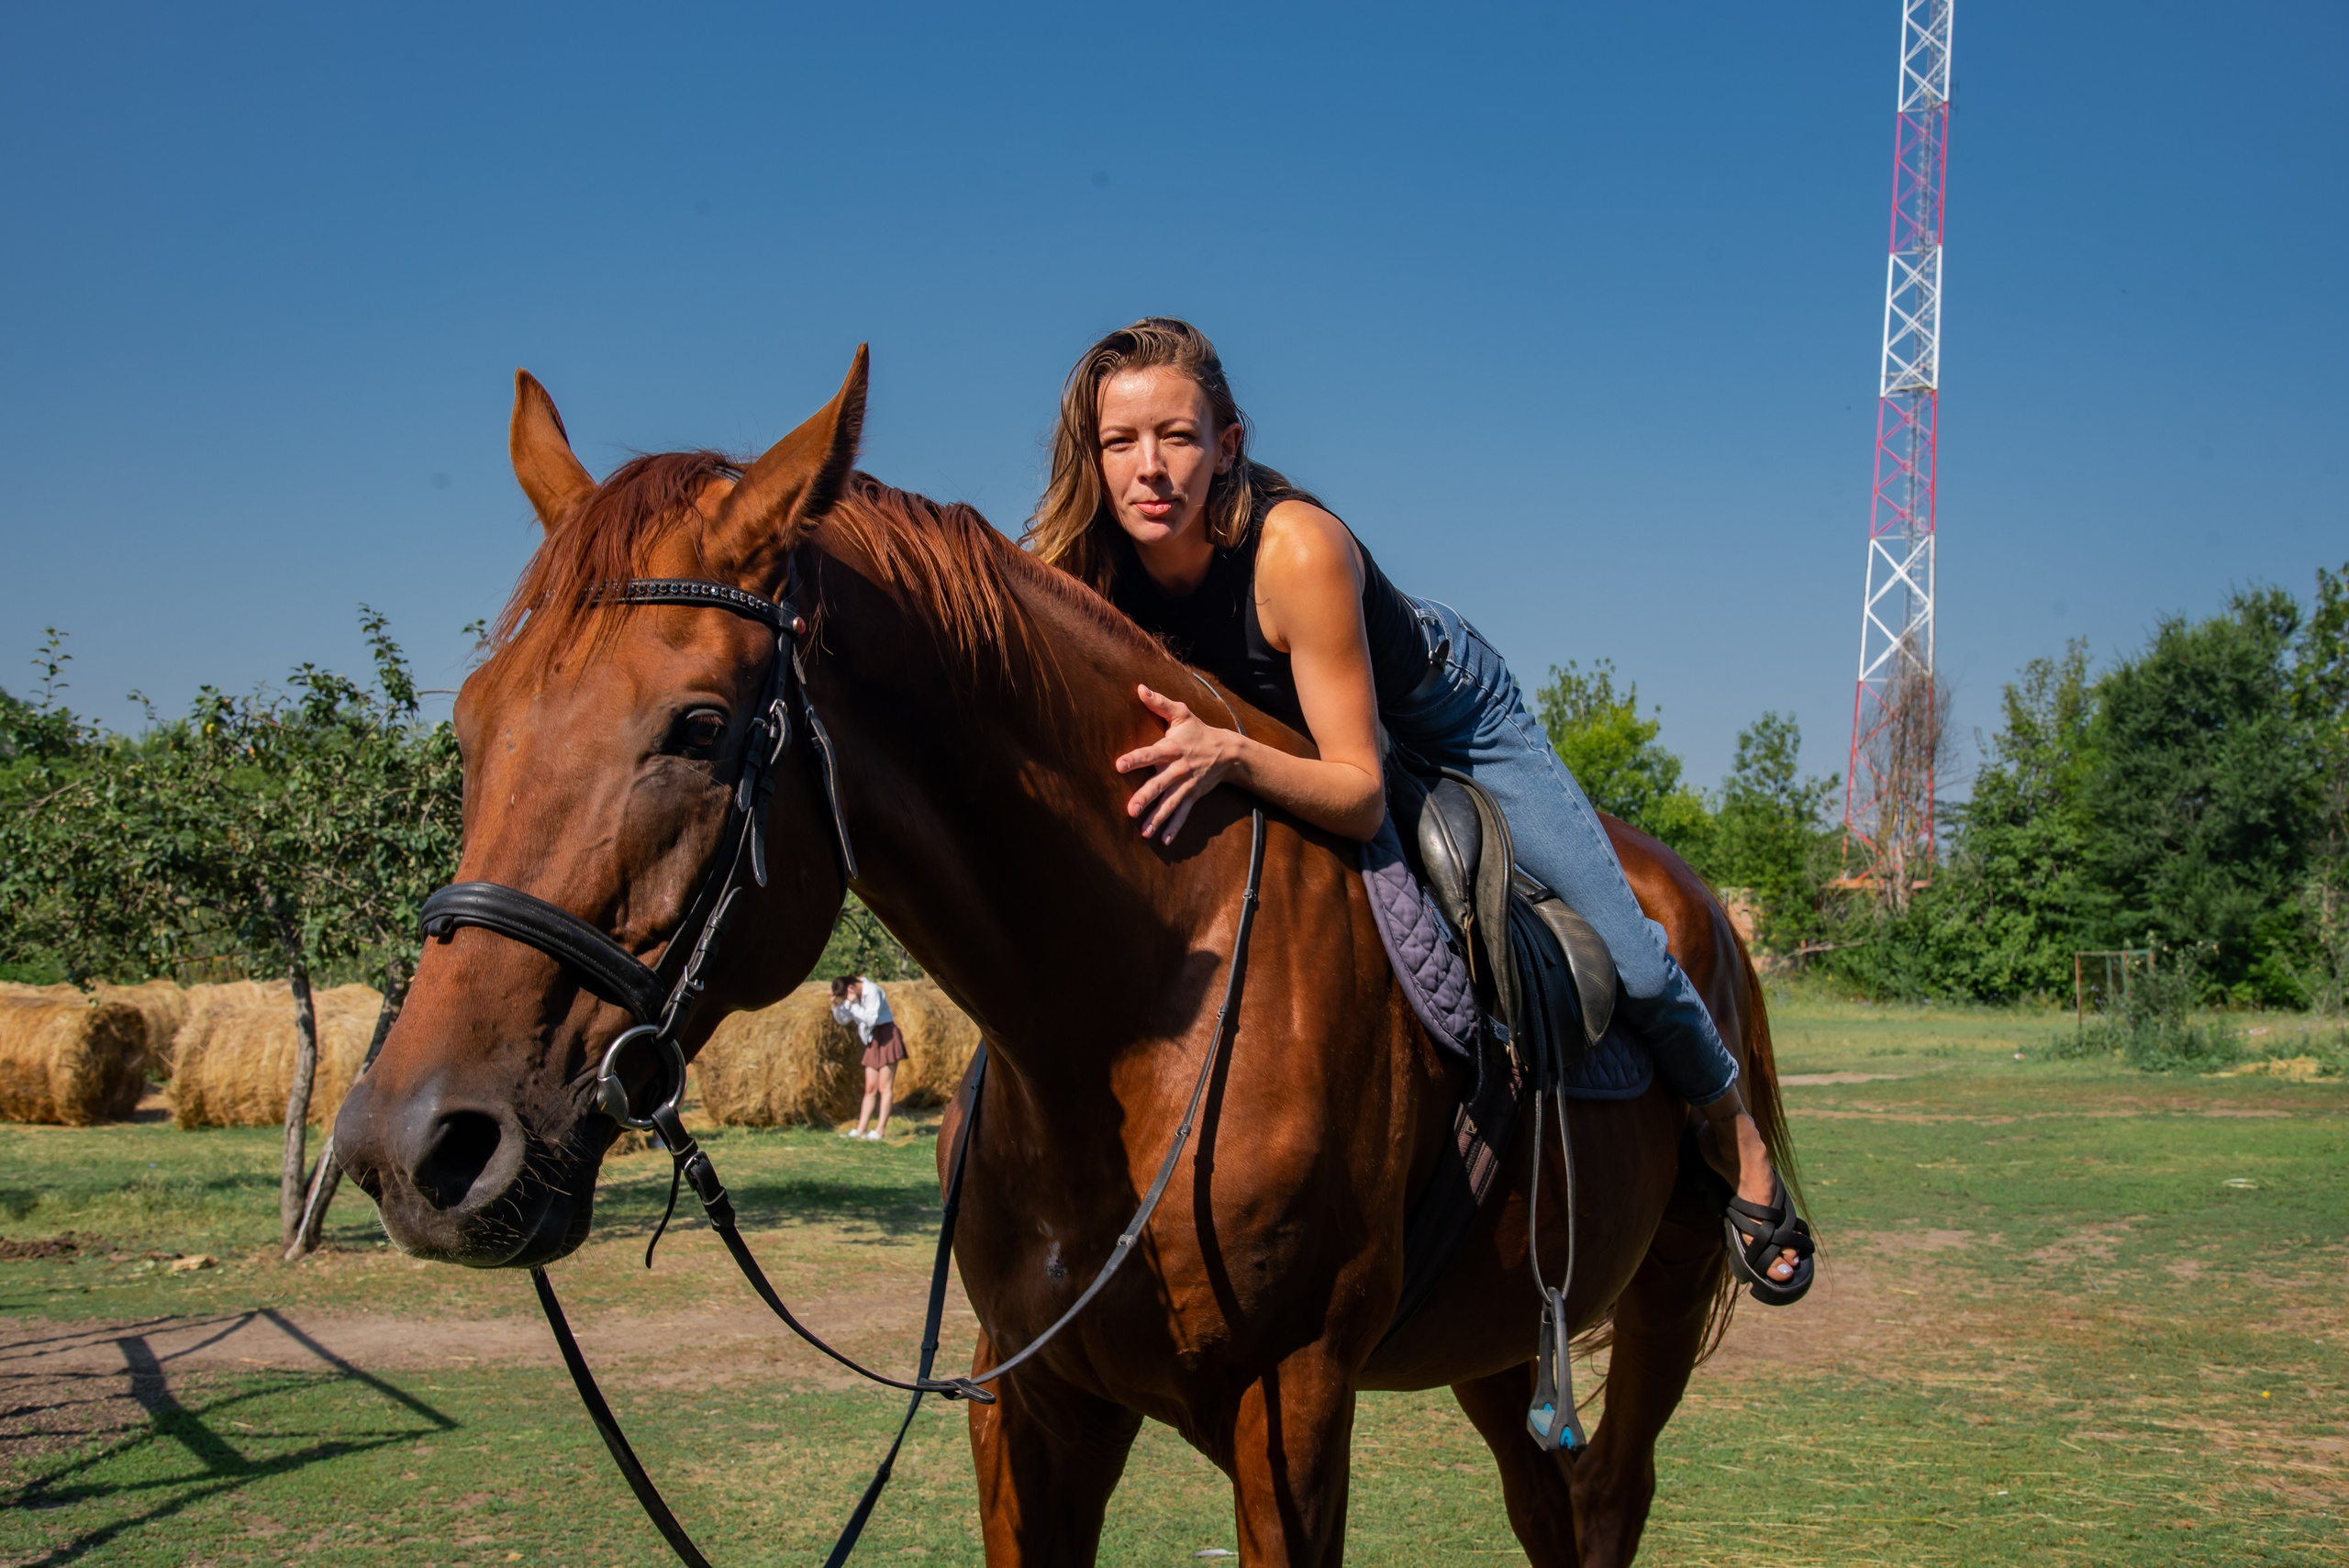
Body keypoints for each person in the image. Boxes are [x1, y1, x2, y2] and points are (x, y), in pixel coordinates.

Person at [1023, 317, 1814, 1300]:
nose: (1151, 469)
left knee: (1633, 948)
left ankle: (1731, 1128)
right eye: (1120, 442)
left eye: (1178, 436)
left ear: (1229, 443)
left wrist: (1227, 750)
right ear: (1089, 456)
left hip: (1446, 717)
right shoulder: (1083, 571)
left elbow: (1356, 793)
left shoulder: (1295, 549)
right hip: (1293, 729)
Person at [830, 975, 904, 1142]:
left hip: (886, 1036)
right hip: (873, 1040)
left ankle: (880, 1130)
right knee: (870, 1088)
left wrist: (854, 1003)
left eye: (843, 996)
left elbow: (871, 1019)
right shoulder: (852, 996)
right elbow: (843, 1019)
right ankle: (861, 1129)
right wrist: (836, 1004)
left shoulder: (872, 991)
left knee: (884, 1087)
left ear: (850, 988)